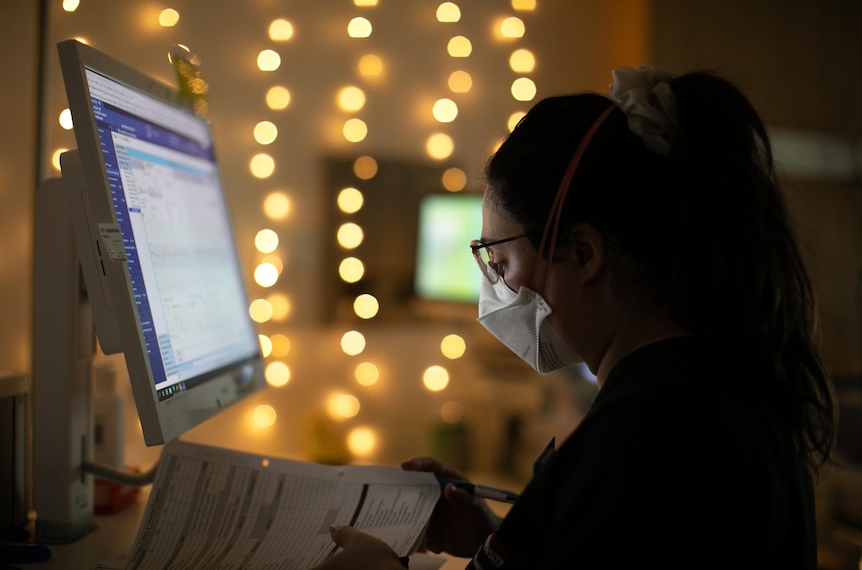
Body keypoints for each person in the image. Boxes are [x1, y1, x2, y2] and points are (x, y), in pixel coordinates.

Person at [311, 66, 838, 569]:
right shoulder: (702, 386)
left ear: (583, 254)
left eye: (499, 261)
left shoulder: (655, 438)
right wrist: (499, 539)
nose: (493, 288)